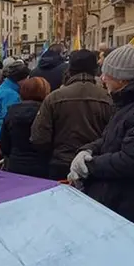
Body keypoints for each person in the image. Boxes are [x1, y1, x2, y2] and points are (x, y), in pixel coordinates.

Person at [69, 44, 134, 229]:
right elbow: (110, 138)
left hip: (131, 203)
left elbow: (131, 160)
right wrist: (88, 150)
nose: (102, 78)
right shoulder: (129, 103)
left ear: (122, 78)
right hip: (117, 197)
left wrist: (90, 166)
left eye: (107, 73)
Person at [31, 50, 114, 180]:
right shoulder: (108, 98)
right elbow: (113, 136)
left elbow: (39, 137)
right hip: (94, 164)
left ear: (69, 69)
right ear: (95, 69)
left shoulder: (54, 98)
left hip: (61, 164)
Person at [0, 77, 51, 178]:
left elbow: (4, 143)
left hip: (16, 164)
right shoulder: (46, 113)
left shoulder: (11, 112)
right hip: (42, 165)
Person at [0, 59, 30, 139]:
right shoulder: (11, 95)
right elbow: (11, 121)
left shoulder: (5, 88)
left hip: (2, 136)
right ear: (20, 79)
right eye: (27, 78)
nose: (28, 81)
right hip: (6, 139)